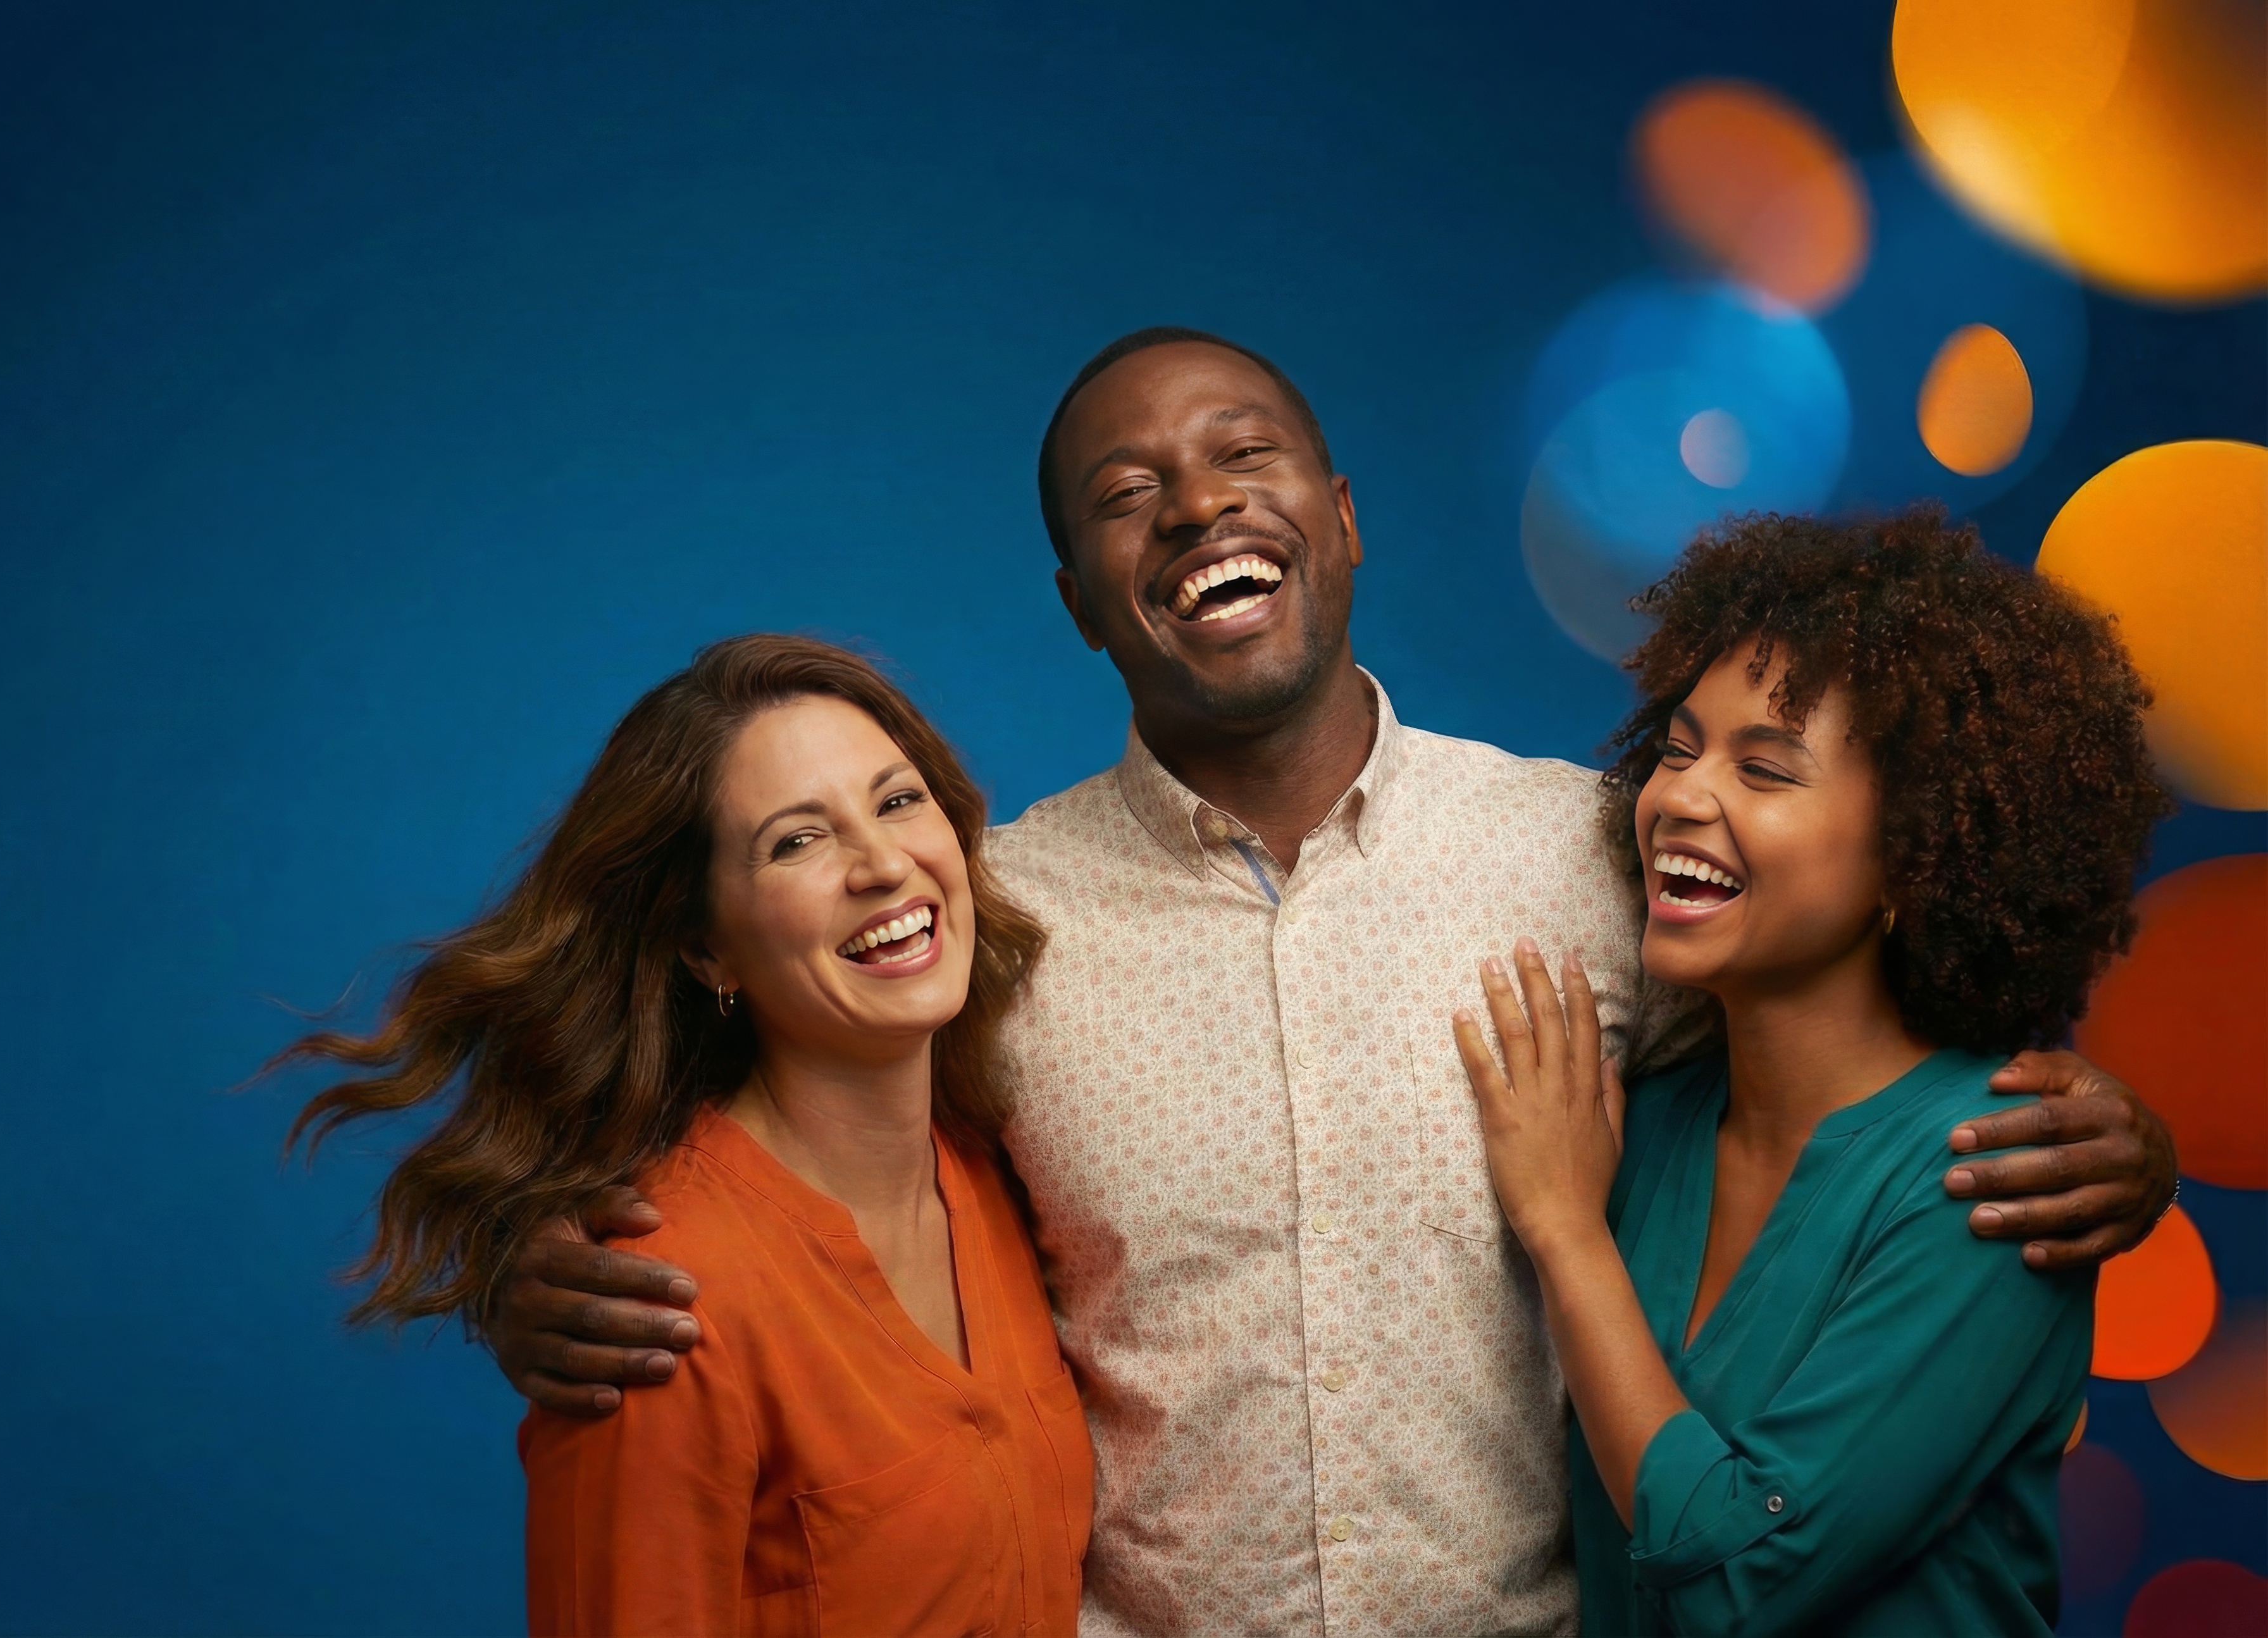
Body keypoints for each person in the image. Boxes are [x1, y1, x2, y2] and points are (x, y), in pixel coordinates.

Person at [483, 330, 2181, 1634]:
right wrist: (545, 1264)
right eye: (1128, 492)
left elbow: (1850, 1045)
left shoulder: (1596, 857)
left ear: (1342, 518)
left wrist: (2111, 1126)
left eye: (1243, 454)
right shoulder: (980, 927)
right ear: (1082, 601)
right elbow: (795, 1178)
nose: (1199, 502)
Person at [279, 634, 1090, 1636]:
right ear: (708, 946)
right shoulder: (657, 1300)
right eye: (797, 841)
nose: (884, 864)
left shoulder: (1001, 1179)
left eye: (897, 799)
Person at [1456, 511, 2164, 1635]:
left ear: (1914, 854)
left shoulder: (1994, 1171)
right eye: (1679, 749)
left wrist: (1564, 1229)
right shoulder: (1652, 1127)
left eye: (1766, 770)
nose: (1682, 799)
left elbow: (1740, 1582)